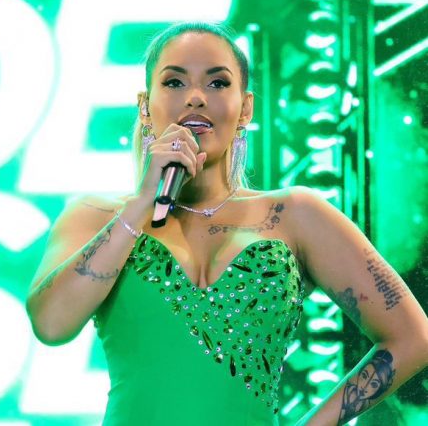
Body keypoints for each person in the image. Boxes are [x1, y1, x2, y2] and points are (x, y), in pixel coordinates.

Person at [26, 22, 428, 425]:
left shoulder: (296, 215)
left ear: (245, 108)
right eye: (174, 82)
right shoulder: (95, 216)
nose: (196, 97)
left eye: (217, 83)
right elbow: (51, 325)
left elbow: (413, 337)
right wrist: (143, 203)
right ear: (145, 106)